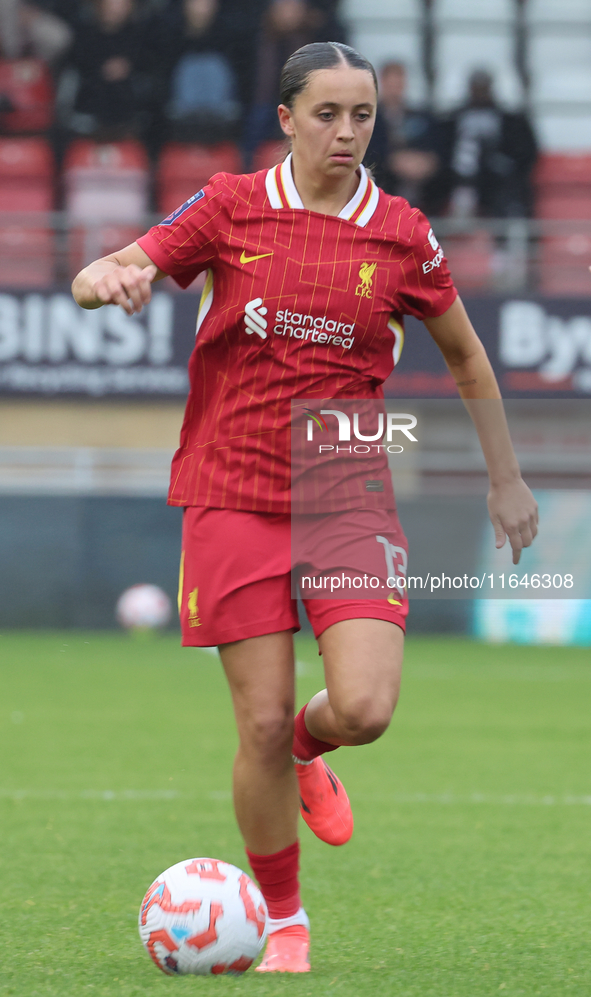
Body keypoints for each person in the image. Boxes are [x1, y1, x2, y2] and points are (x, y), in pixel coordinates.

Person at [71, 41, 538, 973]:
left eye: (360, 115)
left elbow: (465, 357)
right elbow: (105, 270)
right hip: (230, 482)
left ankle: (307, 750)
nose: (345, 132)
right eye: (326, 113)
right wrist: (107, 280)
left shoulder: (400, 231)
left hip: (341, 479)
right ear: (285, 118)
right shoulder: (230, 204)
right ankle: (283, 922)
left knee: (362, 705)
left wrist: (505, 475)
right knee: (254, 720)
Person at [441, 69, 538, 218]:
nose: (480, 92)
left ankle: (506, 236)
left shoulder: (512, 121)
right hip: (457, 178)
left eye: (484, 87)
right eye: (476, 87)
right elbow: (441, 150)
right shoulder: (451, 121)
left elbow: (527, 152)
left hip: (498, 181)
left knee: (510, 194)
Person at [368, 61, 442, 213]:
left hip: (421, 190)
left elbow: (434, 146)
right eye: (391, 83)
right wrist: (392, 160)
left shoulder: (421, 116)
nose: (396, 88)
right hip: (382, 183)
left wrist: (426, 162)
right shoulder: (369, 117)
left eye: (399, 83)